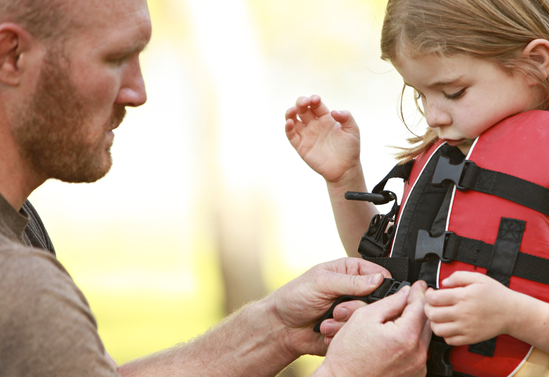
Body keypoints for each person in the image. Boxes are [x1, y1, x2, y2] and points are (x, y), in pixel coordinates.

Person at [0, 0, 432, 376]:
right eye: (114, 59)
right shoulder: (22, 286)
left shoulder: (21, 225)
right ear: (11, 55)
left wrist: (277, 328)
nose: (138, 92)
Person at [284, 0, 549, 376]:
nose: (432, 116)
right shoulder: (444, 165)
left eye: (453, 92)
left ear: (536, 63)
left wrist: (514, 315)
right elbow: (382, 271)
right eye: (419, 94)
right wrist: (344, 178)